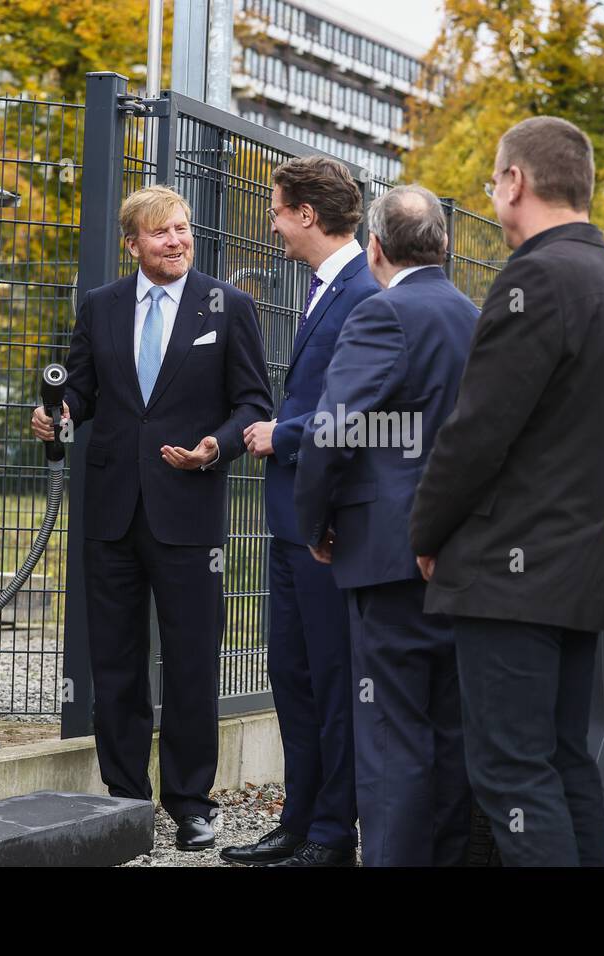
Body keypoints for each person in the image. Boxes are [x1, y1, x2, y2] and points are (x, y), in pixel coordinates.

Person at [410, 117, 604, 867]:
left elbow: (478, 432)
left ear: (515, 181)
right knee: (562, 760)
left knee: (511, 771)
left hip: (509, 575)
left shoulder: (535, 279)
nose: (494, 192)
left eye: (494, 179)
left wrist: (426, 532)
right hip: (576, 569)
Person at [31, 186, 271, 851]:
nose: (177, 240)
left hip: (188, 511)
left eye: (184, 229)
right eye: (161, 232)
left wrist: (215, 447)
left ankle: (192, 803)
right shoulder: (100, 307)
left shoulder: (230, 306)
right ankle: (125, 799)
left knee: (192, 660)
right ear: (131, 243)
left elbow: (253, 401)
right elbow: (82, 388)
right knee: (116, 661)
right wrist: (58, 413)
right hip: (110, 510)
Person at [294, 185, 478, 866]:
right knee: (449, 734)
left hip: (386, 556)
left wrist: (316, 523)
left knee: (392, 738)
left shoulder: (382, 315)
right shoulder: (475, 316)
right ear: (445, 245)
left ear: (375, 248)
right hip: (459, 555)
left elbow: (331, 431)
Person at [222, 157, 378, 867]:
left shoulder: (362, 293)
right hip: (293, 522)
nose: (275, 222)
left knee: (330, 678)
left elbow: (357, 411)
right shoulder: (326, 287)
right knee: (291, 672)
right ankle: (300, 817)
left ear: (307, 215)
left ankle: (329, 833)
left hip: (328, 528)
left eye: (279, 210)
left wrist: (280, 433)